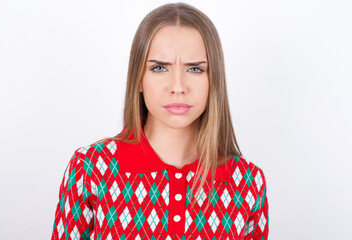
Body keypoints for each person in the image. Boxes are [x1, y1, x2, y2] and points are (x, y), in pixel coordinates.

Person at [51, 2, 269, 239]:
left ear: (213, 80)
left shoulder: (248, 181)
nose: (177, 87)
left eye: (195, 69)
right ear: (139, 79)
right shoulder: (90, 168)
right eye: (159, 68)